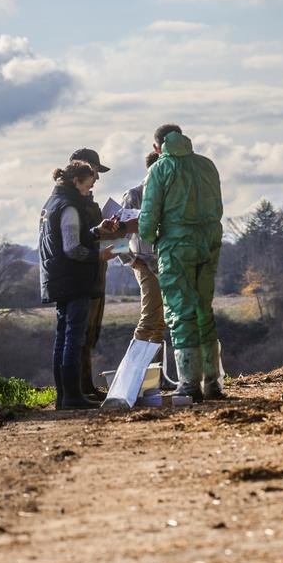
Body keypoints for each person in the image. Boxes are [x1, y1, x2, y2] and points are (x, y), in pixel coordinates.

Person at [138, 124, 226, 402]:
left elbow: (149, 216)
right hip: (209, 242)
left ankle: (189, 382)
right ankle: (213, 381)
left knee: (180, 311)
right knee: (204, 309)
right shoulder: (207, 165)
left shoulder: (159, 169)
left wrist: (148, 236)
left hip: (176, 247)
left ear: (157, 147)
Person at [38, 160, 118, 410]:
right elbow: (72, 247)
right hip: (74, 280)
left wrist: (95, 230)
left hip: (58, 279)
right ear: (76, 181)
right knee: (74, 337)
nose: (90, 187)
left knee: (62, 337)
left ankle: (64, 396)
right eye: (88, 183)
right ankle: (73, 396)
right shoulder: (70, 206)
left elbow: (71, 236)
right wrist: (98, 256)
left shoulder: (52, 203)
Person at [118, 151, 177, 391]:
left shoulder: (169, 193)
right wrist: (131, 261)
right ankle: (130, 380)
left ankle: (157, 377)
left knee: (160, 322)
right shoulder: (133, 195)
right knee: (149, 317)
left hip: (166, 262)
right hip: (143, 261)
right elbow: (117, 233)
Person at [69, 147, 113, 400]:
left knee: (91, 332)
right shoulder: (74, 203)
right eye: (95, 171)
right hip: (87, 273)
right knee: (81, 332)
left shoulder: (85, 201)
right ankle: (81, 388)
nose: (97, 177)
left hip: (98, 271)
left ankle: (85, 386)